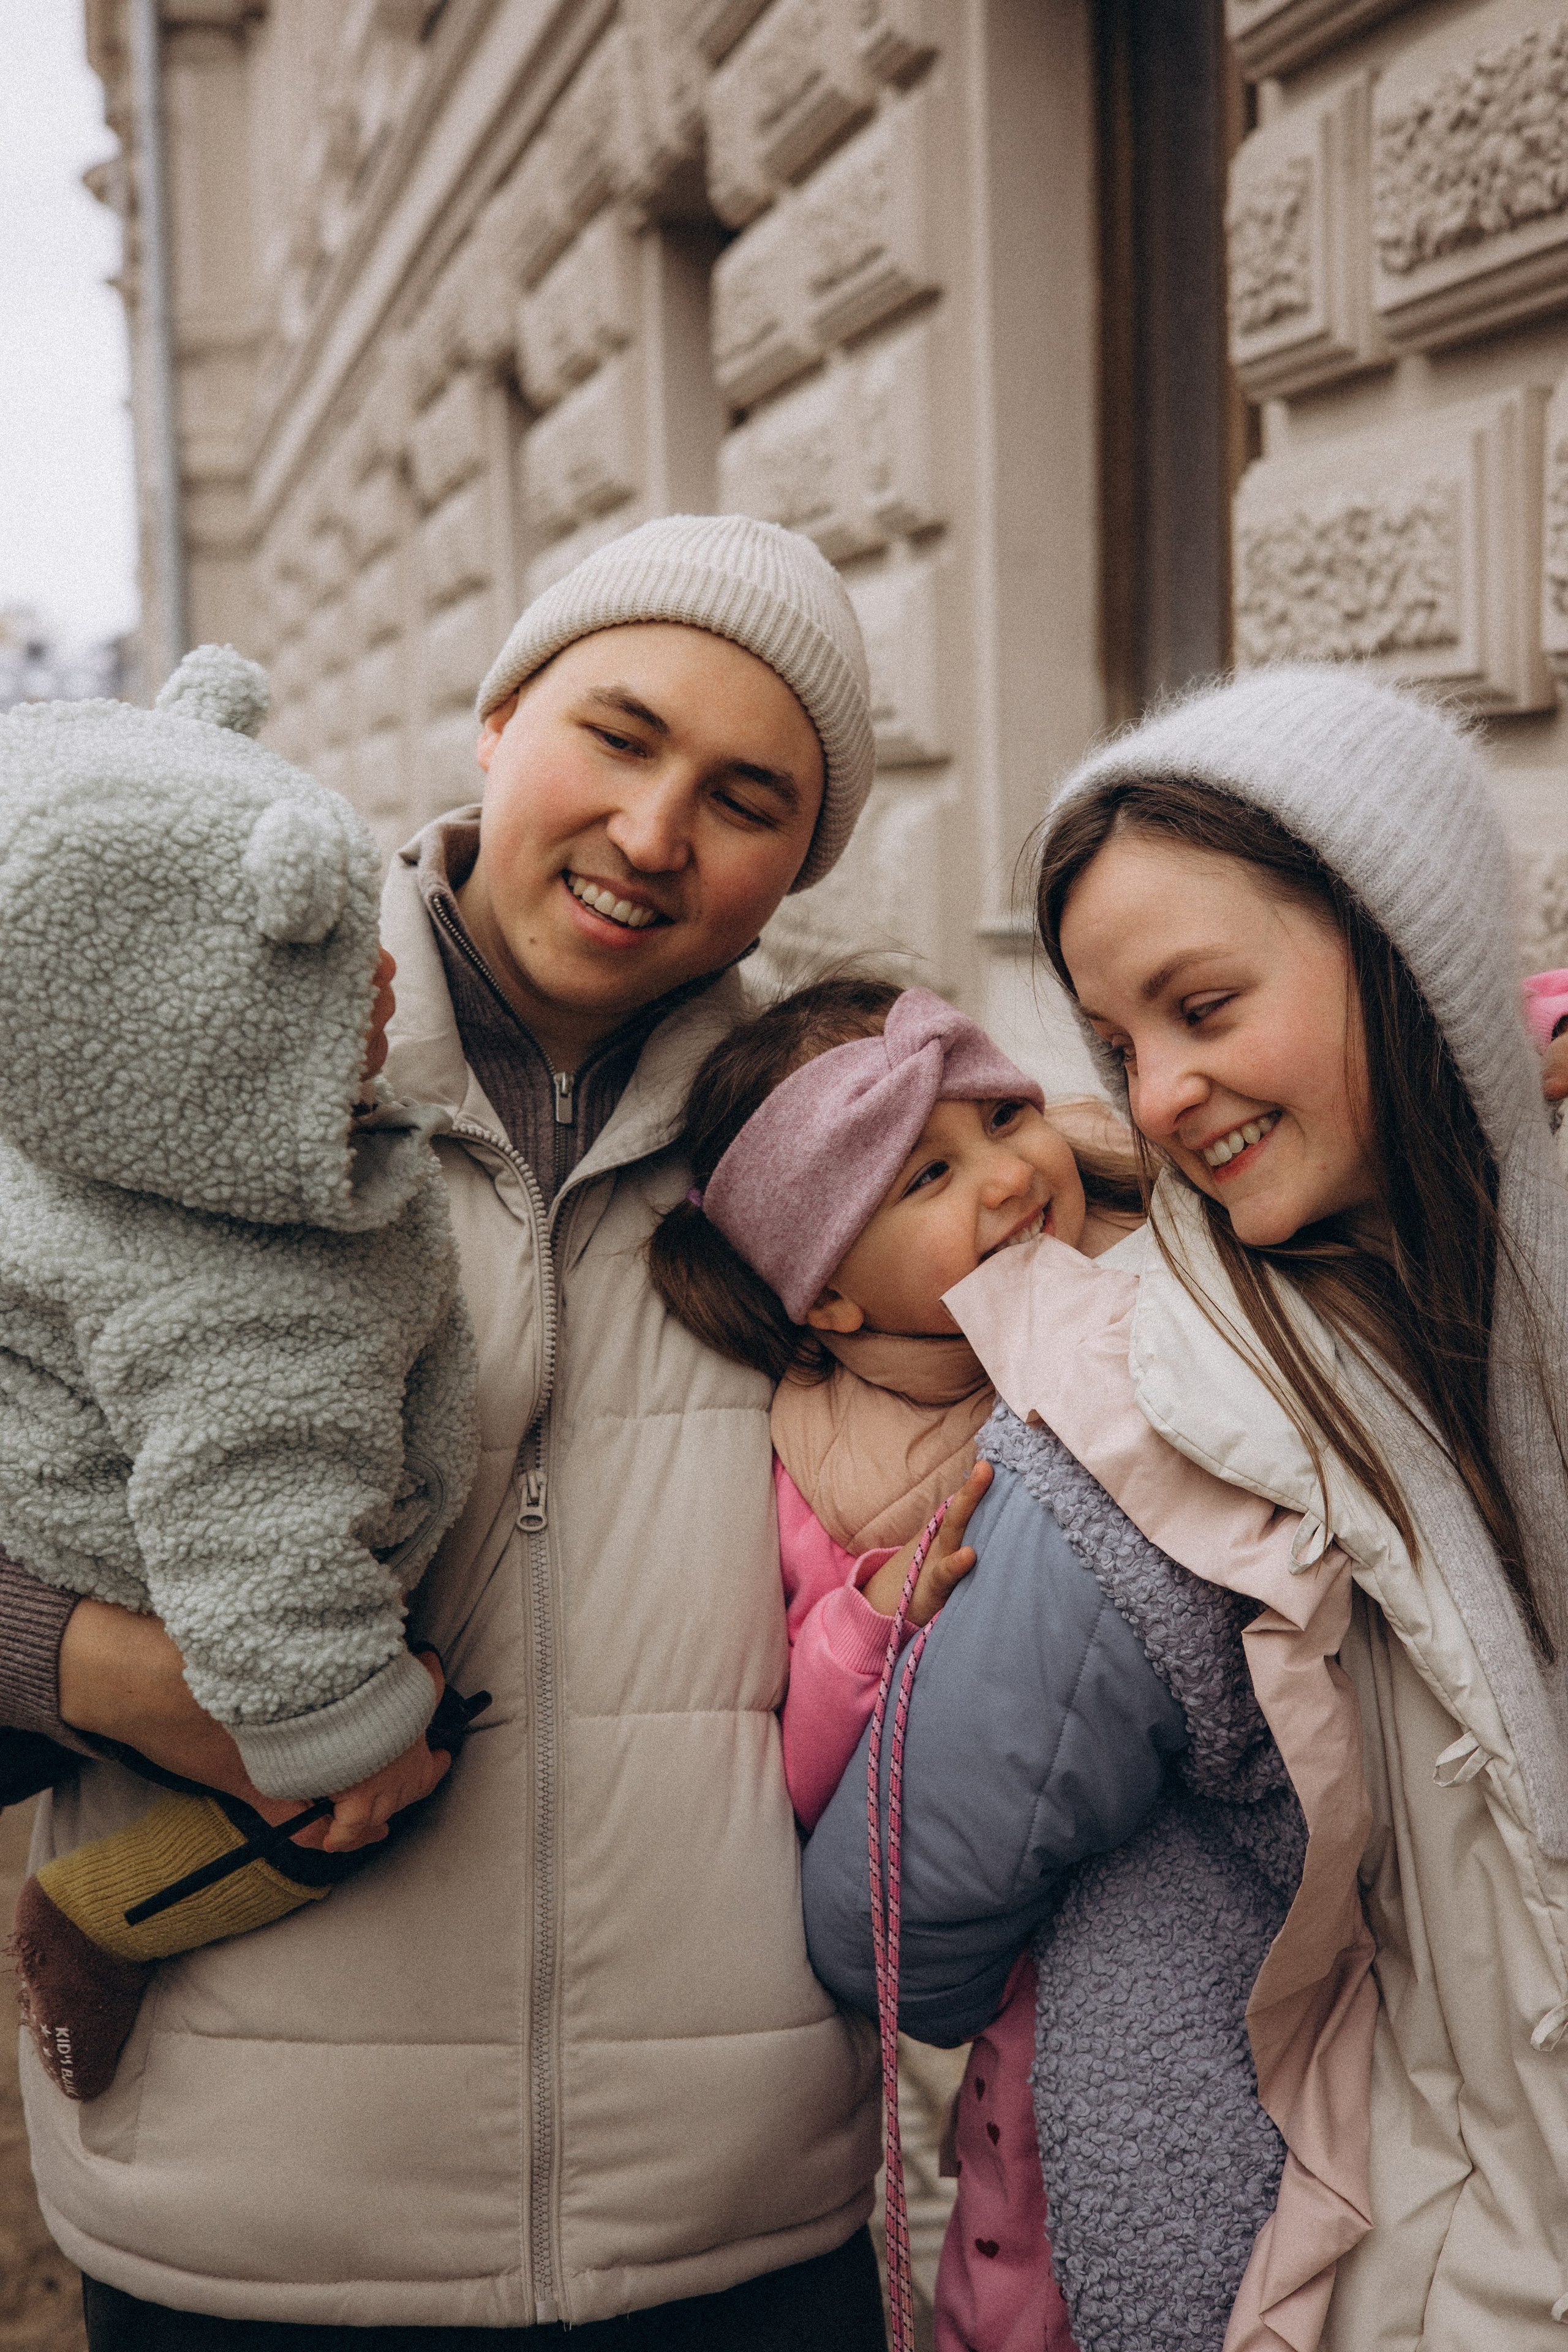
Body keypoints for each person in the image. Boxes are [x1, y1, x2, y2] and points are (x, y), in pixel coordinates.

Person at [0, 514, 892, 2346]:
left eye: (748, 797)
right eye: (620, 736)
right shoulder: (165, 1064)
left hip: (734, 2220)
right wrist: (110, 1674)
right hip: (253, 2226)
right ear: (497, 725)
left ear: (804, 857)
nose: (656, 836)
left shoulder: (838, 1150)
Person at [812, 663, 1568, 2352]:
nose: (1152, 1099)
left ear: (1403, 947)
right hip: (1400, 2283)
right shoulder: (1144, 1430)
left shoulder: (1510, 1288)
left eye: (1202, 1010)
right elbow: (884, 1920)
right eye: (1117, 1045)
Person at [649, 974, 1326, 2352]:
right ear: (826, 1295)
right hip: (1030, 1953)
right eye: (927, 1175)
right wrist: (867, 1622)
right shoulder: (828, 1460)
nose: (1013, 1174)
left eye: (1006, 1114)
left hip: (1239, 1847)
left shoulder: (1158, 1241)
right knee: (1032, 2199)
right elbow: (807, 1770)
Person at [0, 644, 479, 2103]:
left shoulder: (86, 1157)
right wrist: (338, 1728)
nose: (382, 973)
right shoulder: (248, 1283)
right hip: (186, 1613)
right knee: (383, 1775)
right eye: (328, 970)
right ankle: (104, 1916)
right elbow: (251, 1514)